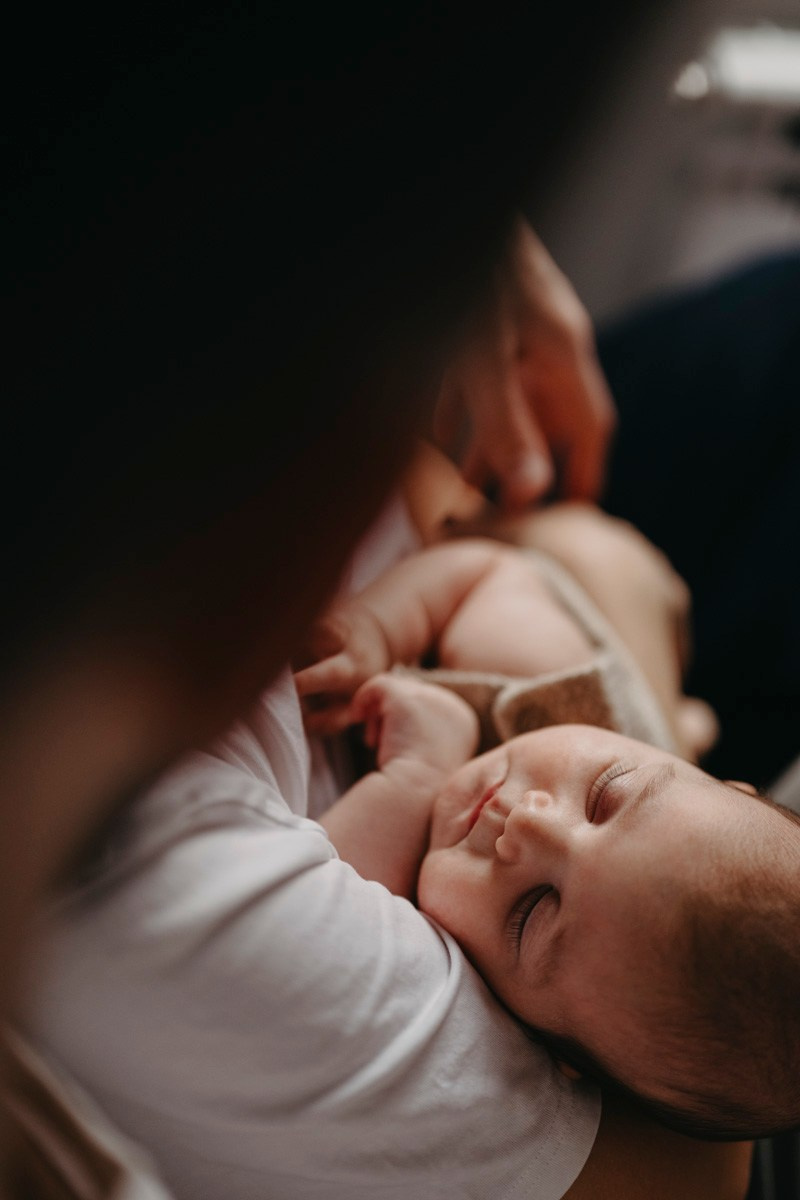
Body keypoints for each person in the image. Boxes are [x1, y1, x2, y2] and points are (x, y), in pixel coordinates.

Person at [313, 670, 800, 1143]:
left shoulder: (439, 986)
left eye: (533, 910)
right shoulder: (571, 698)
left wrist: (419, 774)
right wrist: (385, 621)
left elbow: (321, 922)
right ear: (724, 782)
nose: (527, 822)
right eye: (604, 793)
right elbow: (482, 582)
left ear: (539, 1047)